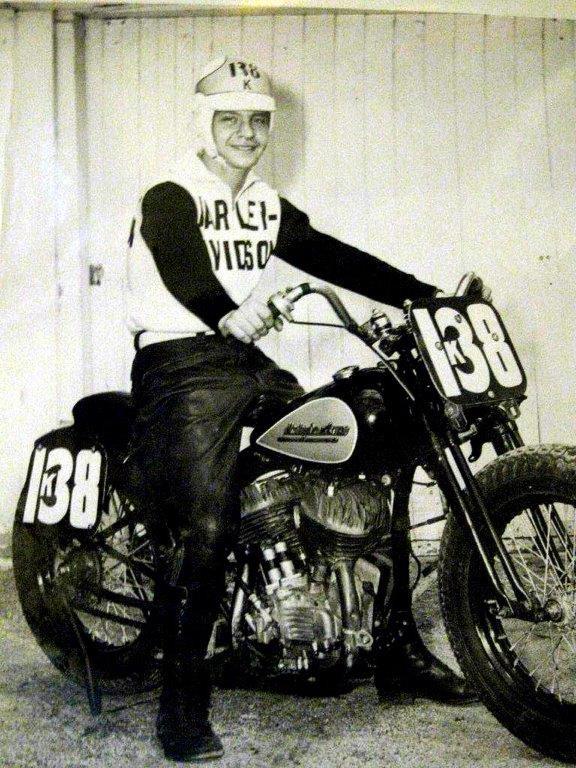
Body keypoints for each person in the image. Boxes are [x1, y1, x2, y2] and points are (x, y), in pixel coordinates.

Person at [126, 56, 475, 763]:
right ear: (203, 124)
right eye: (229, 119)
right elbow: (180, 260)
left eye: (258, 120)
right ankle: (181, 706)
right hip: (178, 361)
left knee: (360, 464)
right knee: (207, 520)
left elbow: (334, 258)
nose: (245, 132)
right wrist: (224, 313)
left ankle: (395, 649)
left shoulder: (265, 202)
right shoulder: (171, 193)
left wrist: (427, 296)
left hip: (245, 358)